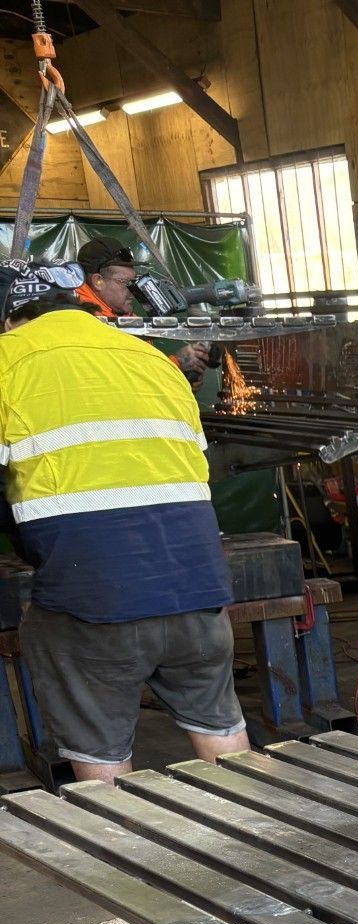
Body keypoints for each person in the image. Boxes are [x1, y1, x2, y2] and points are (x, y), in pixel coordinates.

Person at [0, 261, 248, 783]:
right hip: (198, 586)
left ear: (7, 319)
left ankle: (119, 844)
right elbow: (193, 467)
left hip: (92, 601)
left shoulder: (7, 359)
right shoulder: (150, 358)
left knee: (100, 747)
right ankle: (261, 829)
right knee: (222, 731)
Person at [77, 236, 209, 382]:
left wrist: (182, 382)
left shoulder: (123, 317)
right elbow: (134, 380)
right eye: (125, 282)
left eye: (134, 282)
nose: (133, 290)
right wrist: (177, 363)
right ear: (98, 281)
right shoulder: (89, 322)